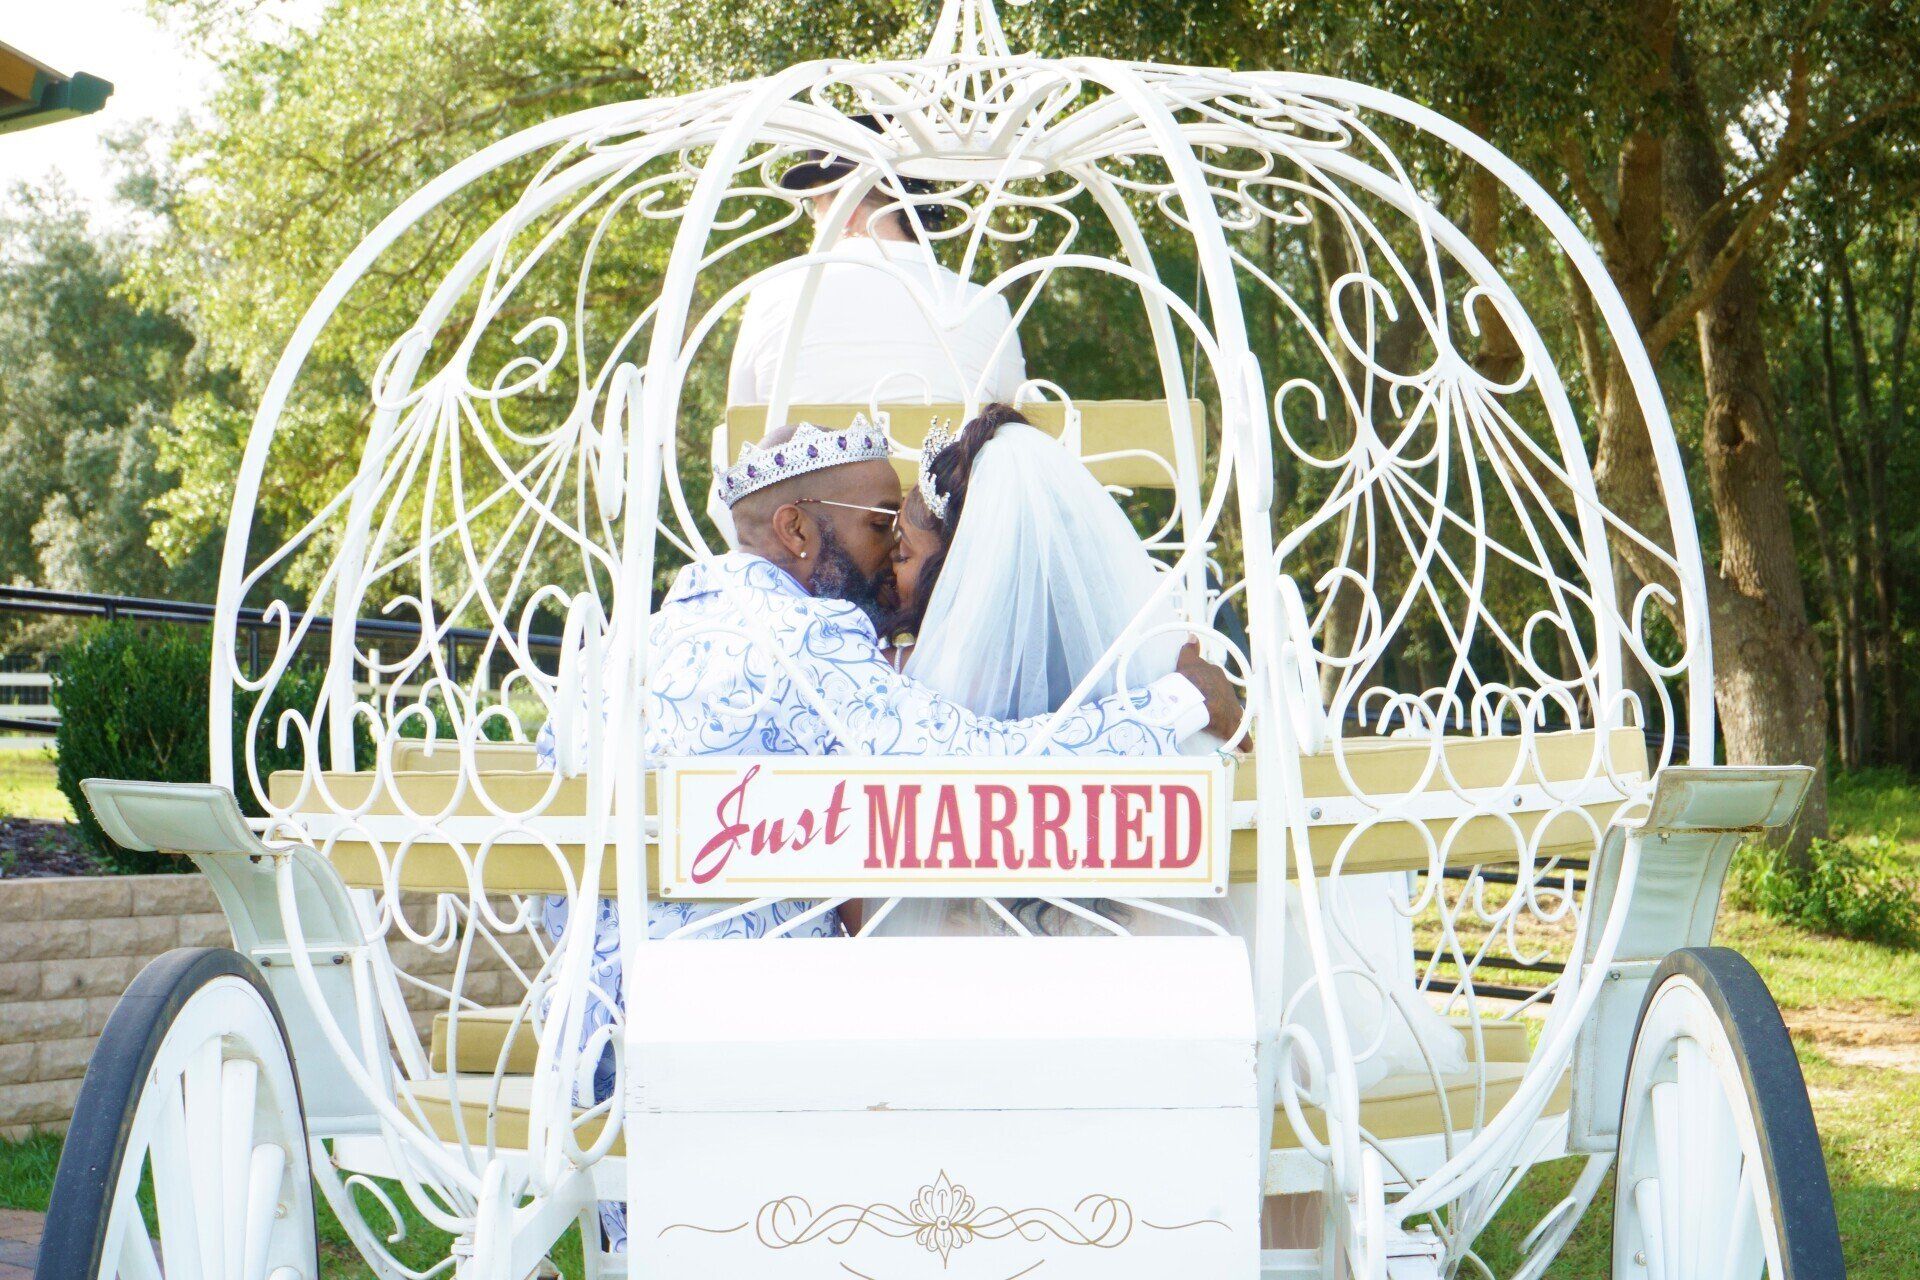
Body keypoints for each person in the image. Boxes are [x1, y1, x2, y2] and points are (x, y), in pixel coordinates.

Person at [538, 414, 1241, 1250]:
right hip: (738, 1046)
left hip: (585, 1041)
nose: (888, 552)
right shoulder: (807, 637)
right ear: (798, 529)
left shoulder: (635, 643)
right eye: (878, 526)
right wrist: (1176, 704)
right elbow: (978, 773)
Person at [872, 404, 1467, 1082]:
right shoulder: (1153, 680)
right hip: (1155, 1006)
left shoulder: (929, 690)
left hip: (1055, 1014)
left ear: (968, 563)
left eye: (904, 553)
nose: (891, 574)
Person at [727, 115, 1027, 409]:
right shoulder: (987, 307)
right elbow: (1021, 432)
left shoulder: (772, 298)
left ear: (848, 212)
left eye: (815, 206)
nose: (814, 223)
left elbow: (738, 433)